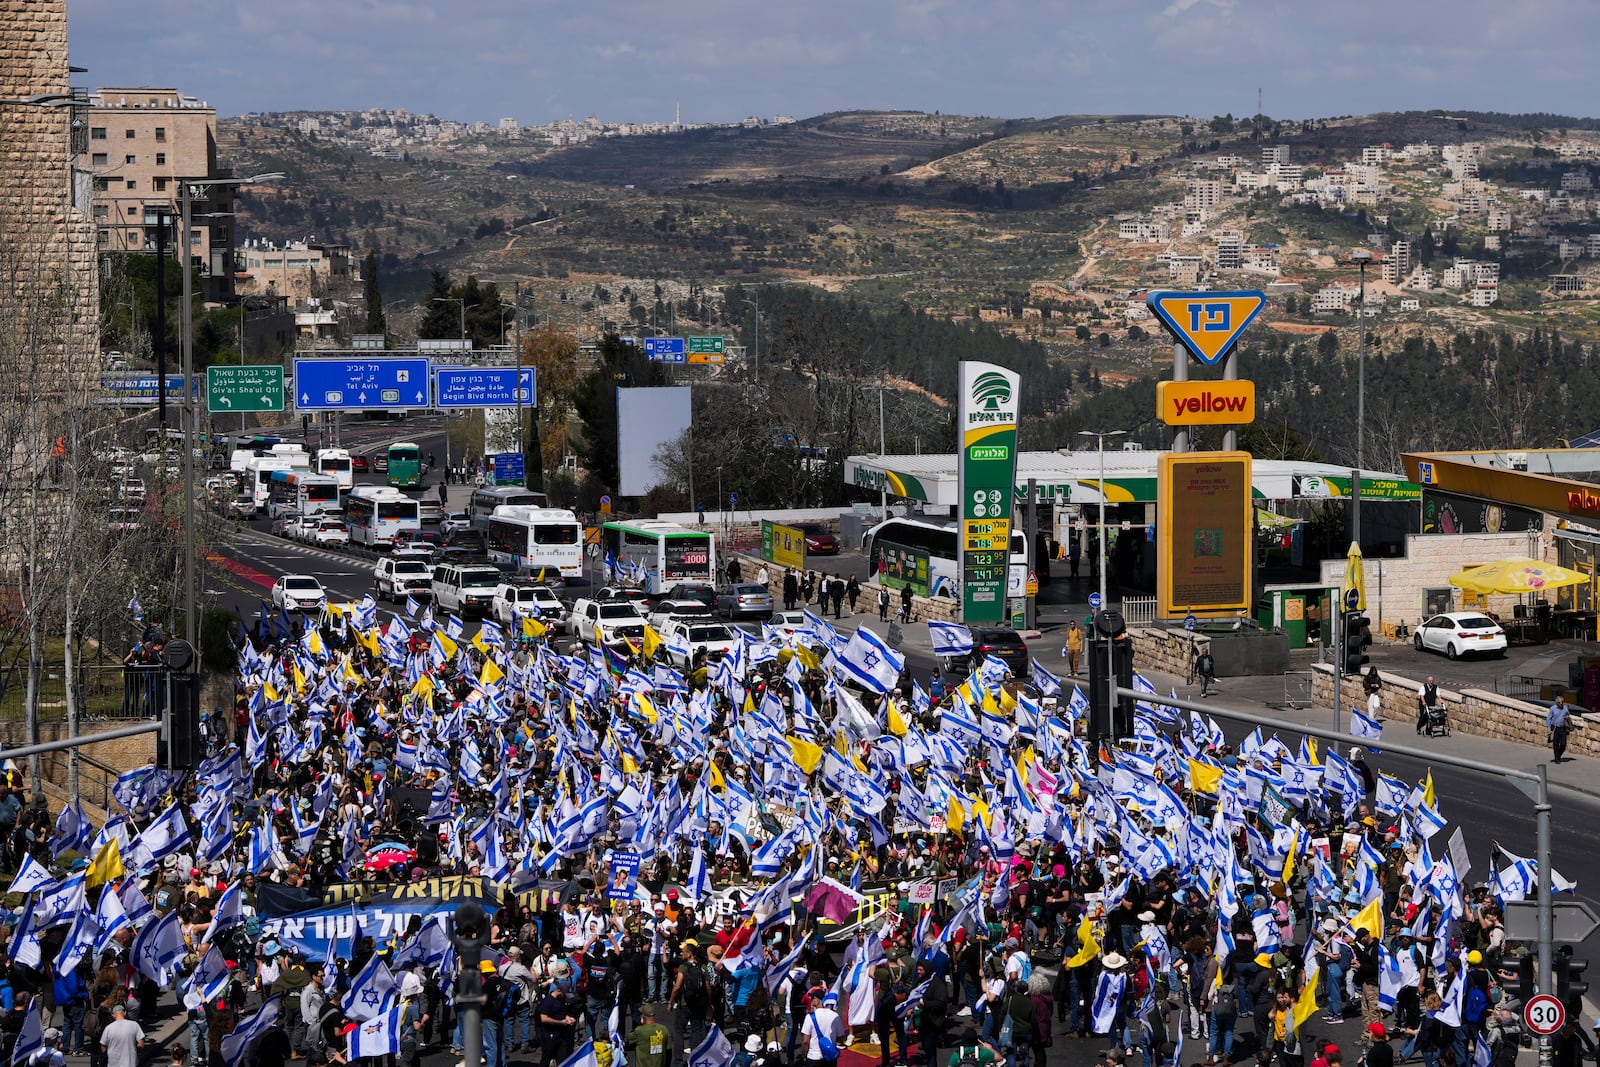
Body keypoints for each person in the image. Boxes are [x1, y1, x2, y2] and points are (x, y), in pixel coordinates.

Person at [800, 992, 844, 1067]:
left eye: (813, 998)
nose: (811, 1000)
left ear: (819, 1000)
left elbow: (805, 1041)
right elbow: (840, 1036)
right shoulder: (835, 1016)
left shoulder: (809, 1017)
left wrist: (804, 1055)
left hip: (814, 1057)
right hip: (830, 1056)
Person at [1548, 694, 1572, 762]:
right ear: (1556, 702)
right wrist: (1548, 728)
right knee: (1555, 743)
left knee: (1563, 744)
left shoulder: (1565, 708)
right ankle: (1557, 759)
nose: (1561, 703)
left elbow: (1568, 715)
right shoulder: (1553, 708)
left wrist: (1567, 718)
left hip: (1562, 728)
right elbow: (1549, 718)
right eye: (1559, 702)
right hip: (1555, 727)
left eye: (1562, 702)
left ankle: (1558, 755)